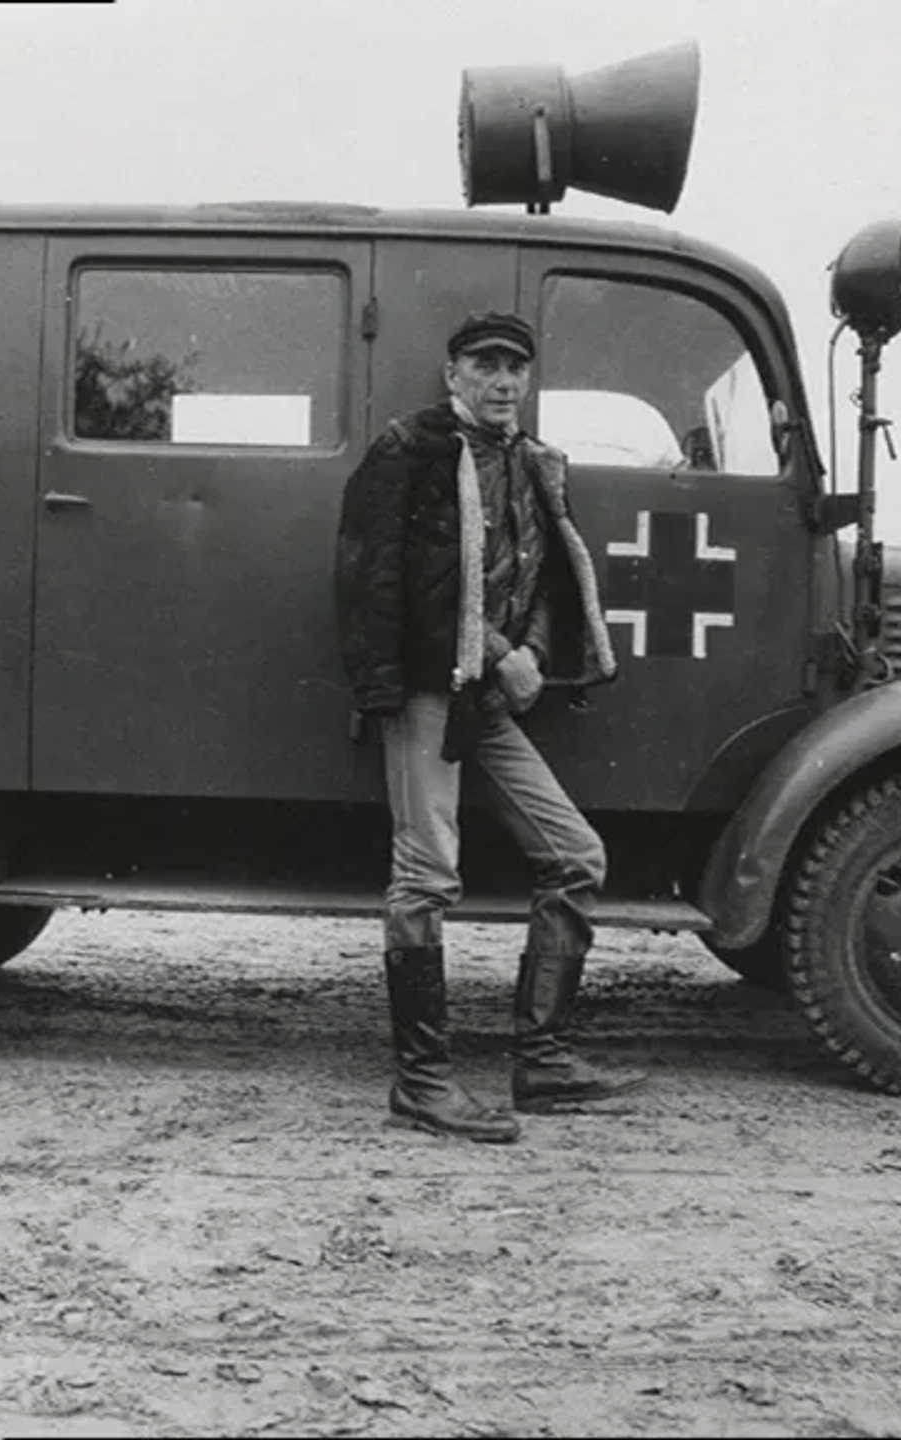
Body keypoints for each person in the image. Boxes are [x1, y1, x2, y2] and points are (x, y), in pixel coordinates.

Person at [335, 310, 646, 1145]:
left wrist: (534, 649)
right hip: (429, 696)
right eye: (486, 365)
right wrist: (500, 651)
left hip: (489, 698)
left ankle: (540, 1060)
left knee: (576, 857)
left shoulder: (533, 464)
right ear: (453, 375)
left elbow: (543, 579)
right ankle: (421, 1084)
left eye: (516, 367)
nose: (504, 380)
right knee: (426, 876)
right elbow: (382, 591)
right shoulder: (411, 450)